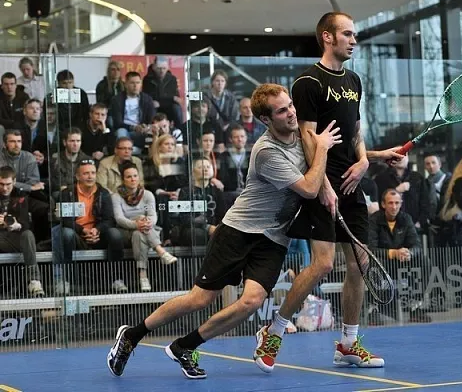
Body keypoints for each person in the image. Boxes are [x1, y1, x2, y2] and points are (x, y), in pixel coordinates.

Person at [106, 83, 342, 379]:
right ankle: (132, 335)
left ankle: (185, 346)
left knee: (252, 301)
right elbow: (309, 188)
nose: (292, 113)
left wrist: (375, 156)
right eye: (282, 110)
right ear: (266, 120)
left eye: (291, 105)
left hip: (274, 239)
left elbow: (324, 164)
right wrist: (321, 148)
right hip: (238, 231)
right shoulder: (266, 151)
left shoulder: (304, 138)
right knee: (199, 299)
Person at [253, 11, 402, 373]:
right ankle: (272, 331)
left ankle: (348, 344)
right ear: (327, 37)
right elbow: (307, 138)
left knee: (359, 263)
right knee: (321, 264)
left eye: (354, 35)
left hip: (354, 182)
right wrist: (323, 187)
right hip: (322, 182)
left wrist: (366, 161)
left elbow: (355, 132)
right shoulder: (308, 82)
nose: (353, 40)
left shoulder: (353, 80)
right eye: (347, 34)